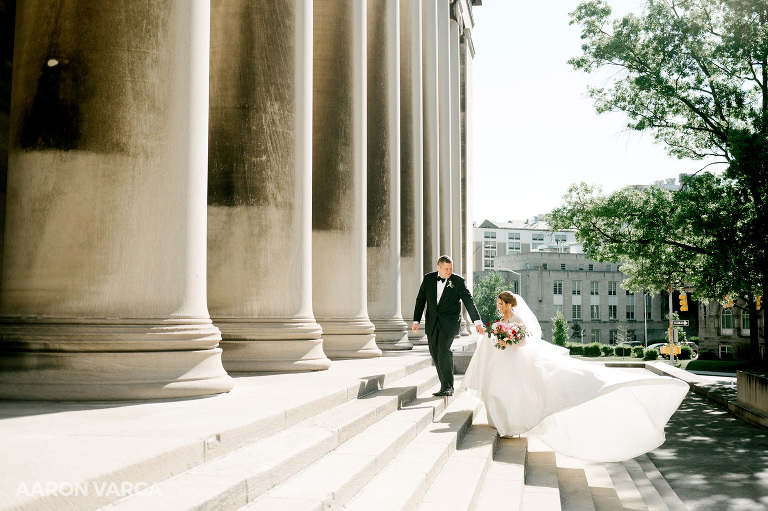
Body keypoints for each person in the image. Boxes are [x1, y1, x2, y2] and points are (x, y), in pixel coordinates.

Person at [462, 291, 689, 462]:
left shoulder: (518, 322)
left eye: (500, 304)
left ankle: (510, 424)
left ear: (509, 304)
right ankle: (503, 422)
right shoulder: (501, 321)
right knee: (502, 392)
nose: (498, 307)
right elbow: (497, 339)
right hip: (505, 365)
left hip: (517, 363)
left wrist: (507, 340)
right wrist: (498, 338)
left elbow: (521, 342)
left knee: (520, 392)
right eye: (498, 304)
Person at [413, 255, 485, 397]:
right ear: (438, 267)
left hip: (450, 323)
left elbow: (469, 301)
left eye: (451, 268)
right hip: (432, 322)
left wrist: (477, 322)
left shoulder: (458, 281)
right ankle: (443, 384)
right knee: (435, 352)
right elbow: (421, 300)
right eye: (446, 268)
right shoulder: (428, 279)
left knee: (443, 350)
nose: (449, 271)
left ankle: (448, 387)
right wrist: (416, 320)